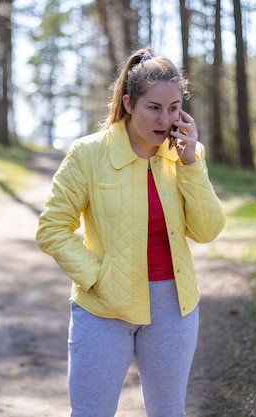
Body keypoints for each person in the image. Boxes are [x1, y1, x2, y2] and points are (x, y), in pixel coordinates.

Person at [36, 47, 226, 417]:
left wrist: (189, 165)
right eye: (153, 107)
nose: (165, 119)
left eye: (174, 108)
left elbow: (206, 231)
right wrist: (97, 277)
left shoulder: (186, 153)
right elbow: (52, 229)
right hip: (103, 308)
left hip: (174, 306)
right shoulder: (88, 154)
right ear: (128, 103)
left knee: (168, 411)